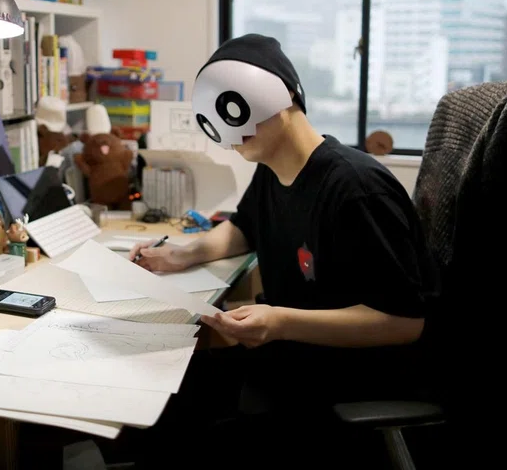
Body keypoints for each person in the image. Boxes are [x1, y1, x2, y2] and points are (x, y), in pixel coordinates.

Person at [129, 34, 441, 467]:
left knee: (187, 432)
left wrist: (279, 322)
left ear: (287, 96)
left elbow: (405, 323)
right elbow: (244, 229)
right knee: (160, 394)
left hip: (347, 380)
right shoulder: (272, 169)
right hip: (290, 356)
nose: (233, 135)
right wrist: (182, 255)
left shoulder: (356, 189)